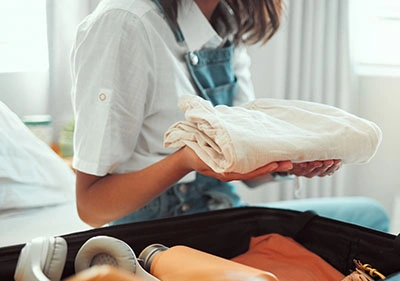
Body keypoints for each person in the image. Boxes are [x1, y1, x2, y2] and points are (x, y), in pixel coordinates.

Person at [70, 0, 390, 232]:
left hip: (224, 211)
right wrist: (185, 160)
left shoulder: (225, 25)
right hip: (158, 232)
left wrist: (291, 164)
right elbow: (91, 206)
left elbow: (242, 162)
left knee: (372, 216)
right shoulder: (123, 23)